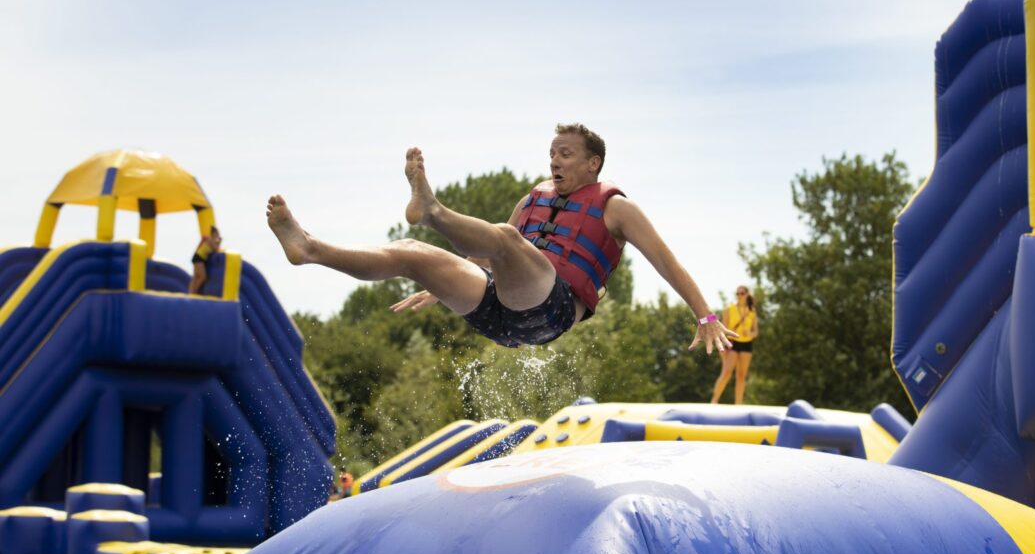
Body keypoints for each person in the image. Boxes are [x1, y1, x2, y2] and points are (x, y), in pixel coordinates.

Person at [266, 123, 732, 353]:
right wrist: (443, 282)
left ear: (593, 164)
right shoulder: (536, 199)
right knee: (412, 253)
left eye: (566, 154)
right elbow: (485, 259)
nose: (555, 162)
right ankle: (310, 249)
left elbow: (666, 262)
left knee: (506, 238)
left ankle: (432, 209)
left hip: (549, 313)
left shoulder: (616, 208)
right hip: (500, 315)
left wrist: (705, 314)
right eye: (552, 154)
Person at [710, 285, 758, 404]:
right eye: (737, 293)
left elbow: (756, 331)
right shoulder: (729, 309)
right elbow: (723, 327)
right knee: (726, 373)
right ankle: (714, 401)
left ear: (747, 295)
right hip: (732, 343)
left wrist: (750, 333)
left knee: (741, 376)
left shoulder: (752, 311)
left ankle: (738, 404)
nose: (739, 296)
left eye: (742, 293)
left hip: (747, 343)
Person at [188, 226, 222, 295]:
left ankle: (190, 293)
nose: (218, 236)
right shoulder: (210, 240)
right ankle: (194, 292)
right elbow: (216, 249)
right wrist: (219, 242)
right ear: (213, 234)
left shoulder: (209, 239)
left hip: (197, 257)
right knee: (202, 277)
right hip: (199, 258)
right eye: (217, 234)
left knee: (196, 277)